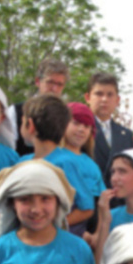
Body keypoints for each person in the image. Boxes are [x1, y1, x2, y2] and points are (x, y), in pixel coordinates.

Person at [17, 94, 95, 231]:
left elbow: (87, 208)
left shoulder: (66, 163)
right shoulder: (22, 162)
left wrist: (51, 225)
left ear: (30, 126)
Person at [57, 102, 106, 236]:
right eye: (76, 123)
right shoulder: (53, 155)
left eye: (86, 126)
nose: (81, 129)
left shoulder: (92, 165)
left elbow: (101, 203)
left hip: (80, 233)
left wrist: (97, 234)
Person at [6, 58, 69, 156]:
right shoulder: (15, 111)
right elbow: (7, 147)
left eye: (59, 84)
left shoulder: (66, 116)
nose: (54, 88)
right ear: (37, 81)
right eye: (50, 82)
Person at [85, 73, 133, 180]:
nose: (104, 99)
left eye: (110, 95)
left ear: (117, 100)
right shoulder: (81, 130)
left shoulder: (126, 135)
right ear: (88, 98)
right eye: (99, 94)